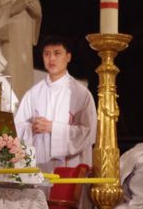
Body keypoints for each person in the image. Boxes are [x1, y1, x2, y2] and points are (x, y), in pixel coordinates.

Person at [13, 35, 96, 174]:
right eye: (47, 54)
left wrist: (53, 128)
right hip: (39, 164)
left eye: (57, 53)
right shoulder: (33, 94)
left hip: (69, 165)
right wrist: (31, 128)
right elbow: (17, 129)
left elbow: (88, 132)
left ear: (68, 57)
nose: (51, 59)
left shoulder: (81, 94)